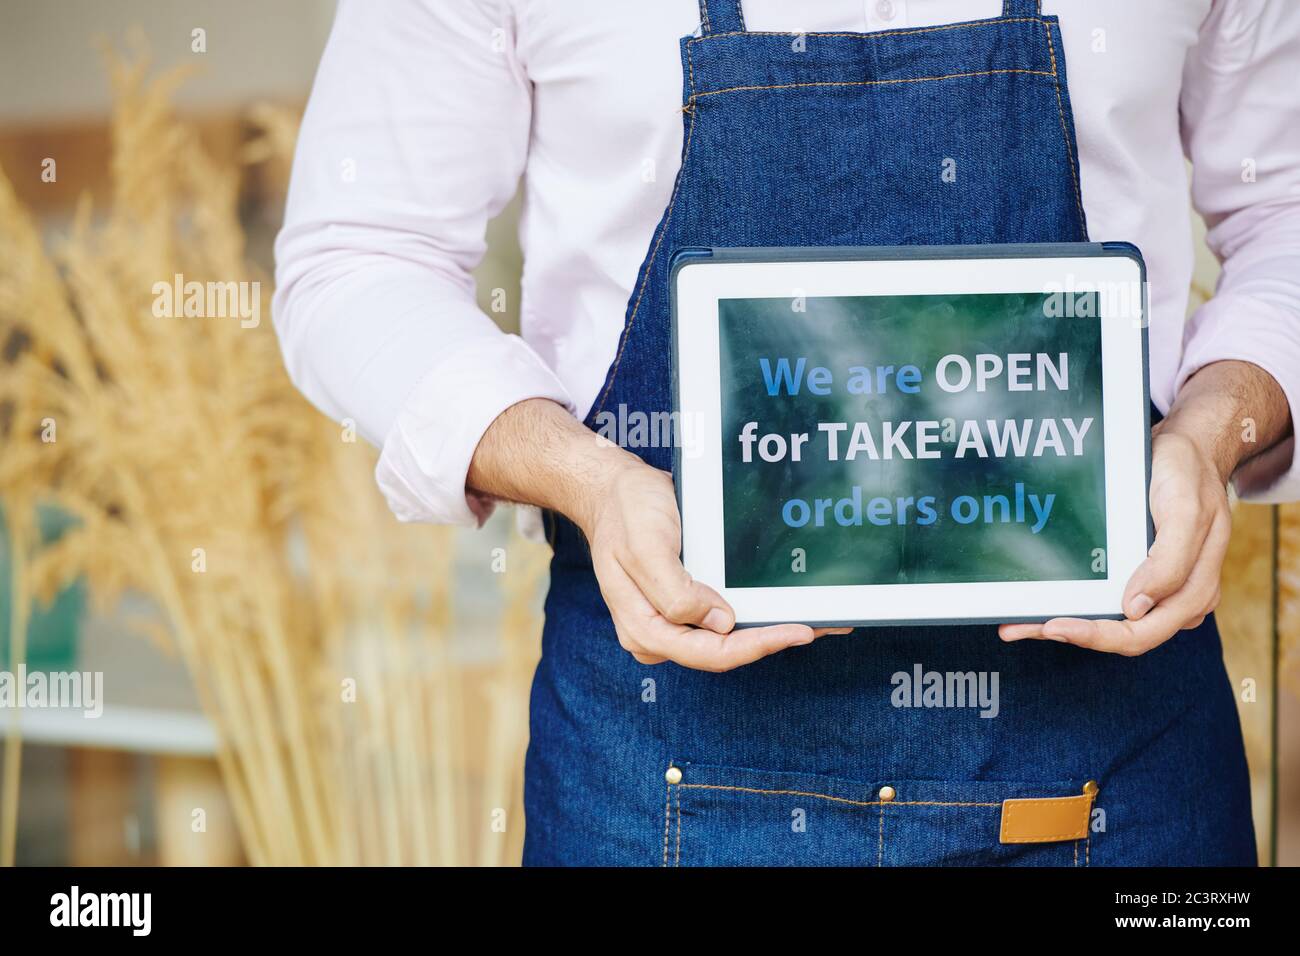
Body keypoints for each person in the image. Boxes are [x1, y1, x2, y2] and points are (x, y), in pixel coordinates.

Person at [274, 0, 1299, 865]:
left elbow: (1285, 211)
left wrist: (1211, 431)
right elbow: (360, 254)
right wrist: (582, 473)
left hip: (1119, 762)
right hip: (654, 756)